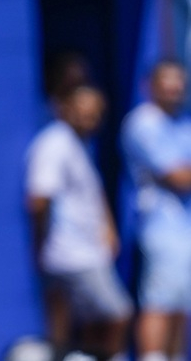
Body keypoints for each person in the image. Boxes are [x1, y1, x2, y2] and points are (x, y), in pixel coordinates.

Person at [25, 85, 133, 361]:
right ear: (65, 109)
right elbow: (39, 200)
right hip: (69, 252)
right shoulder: (55, 144)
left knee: (86, 322)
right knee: (117, 314)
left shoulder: (80, 145)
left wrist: (107, 229)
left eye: (96, 114)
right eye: (83, 112)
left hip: (85, 250)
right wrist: (41, 245)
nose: (90, 119)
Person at [121, 59, 191, 361]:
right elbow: (177, 178)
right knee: (159, 302)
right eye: (167, 81)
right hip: (161, 228)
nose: (174, 88)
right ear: (150, 86)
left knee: (181, 304)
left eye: (179, 81)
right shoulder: (143, 123)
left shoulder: (183, 122)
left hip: (185, 228)